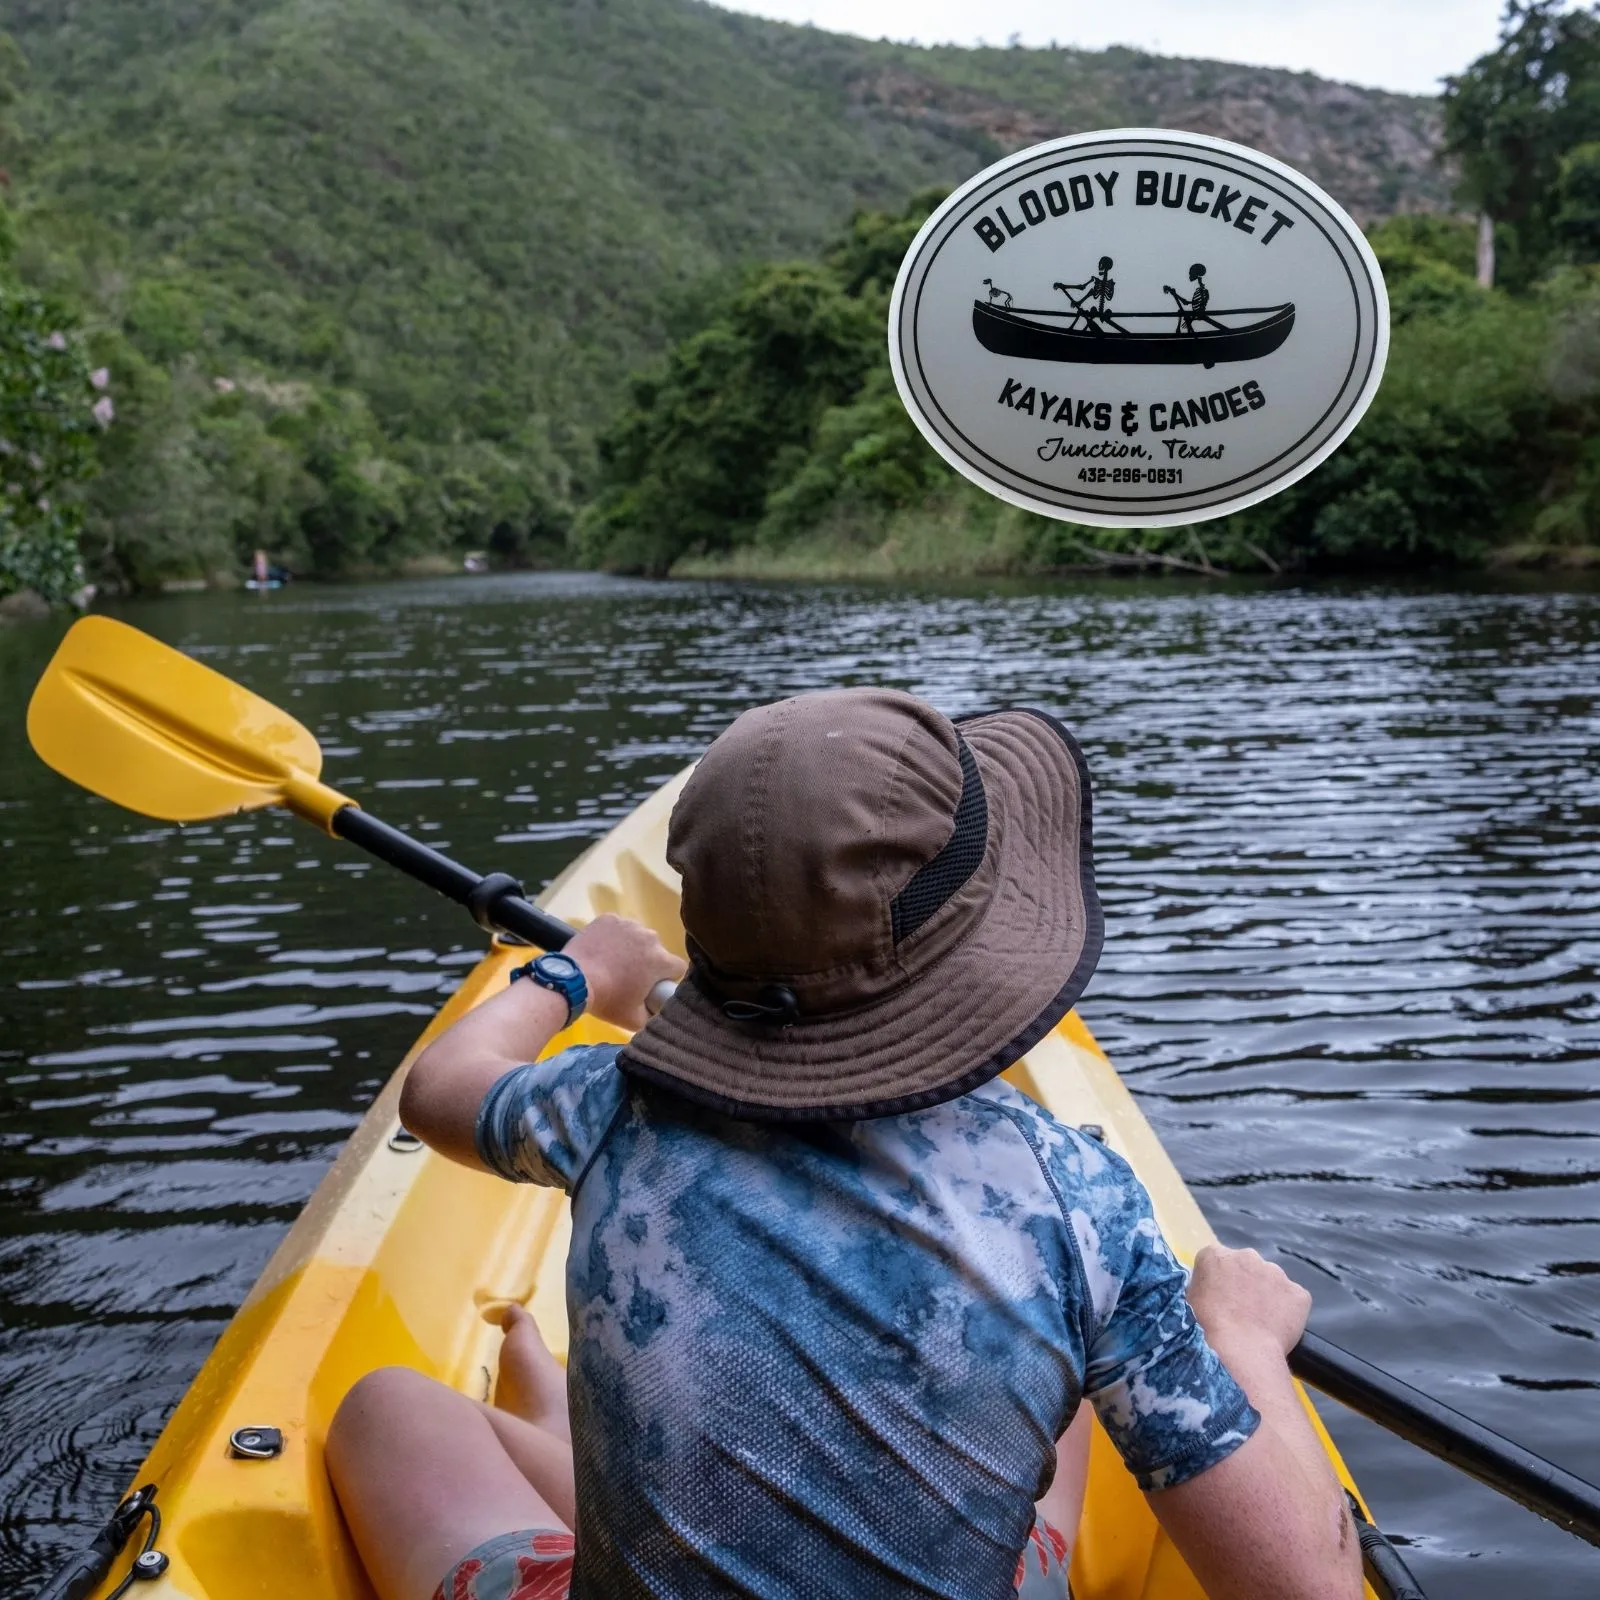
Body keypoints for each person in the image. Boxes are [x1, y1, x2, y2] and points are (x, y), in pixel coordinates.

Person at [327, 689, 1362, 1600]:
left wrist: (575, 976)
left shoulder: (612, 1105)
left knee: (385, 1409)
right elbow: (1305, 1586)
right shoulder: (1073, 1197)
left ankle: (574, 1434)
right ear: (987, 942)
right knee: (1083, 1371)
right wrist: (1245, 1344)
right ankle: (572, 1433)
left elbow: (441, 1091)